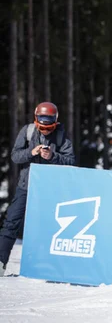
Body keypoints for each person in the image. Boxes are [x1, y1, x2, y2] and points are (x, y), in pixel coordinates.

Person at [0, 102, 75, 276]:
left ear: (55, 121)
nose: (45, 131)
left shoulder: (61, 135)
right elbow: (15, 156)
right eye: (42, 127)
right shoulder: (27, 131)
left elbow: (71, 161)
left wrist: (52, 156)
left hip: (50, 189)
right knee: (11, 223)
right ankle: (1, 262)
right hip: (26, 186)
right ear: (36, 120)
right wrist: (31, 152)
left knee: (51, 227)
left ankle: (48, 268)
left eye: (49, 127)